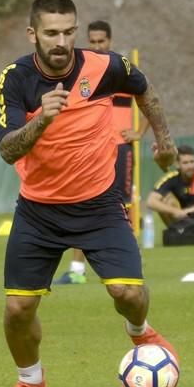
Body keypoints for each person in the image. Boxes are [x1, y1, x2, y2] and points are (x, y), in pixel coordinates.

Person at [0, 0, 178, 387]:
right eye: (51, 33)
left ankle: (141, 331)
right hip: (38, 209)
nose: (61, 41)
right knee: (18, 308)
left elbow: (145, 89)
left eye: (68, 32)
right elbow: (7, 150)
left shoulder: (105, 66)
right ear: (32, 34)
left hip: (99, 203)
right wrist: (42, 118)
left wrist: (164, 141)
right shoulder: (15, 79)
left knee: (127, 294)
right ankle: (30, 383)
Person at [54, 20, 138, 285]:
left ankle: (126, 259)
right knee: (83, 202)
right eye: (93, 41)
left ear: (110, 41)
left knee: (121, 205)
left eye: (102, 41)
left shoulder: (119, 70)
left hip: (119, 148)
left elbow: (147, 96)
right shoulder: (82, 72)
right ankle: (78, 270)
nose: (97, 46)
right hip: (89, 151)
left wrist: (139, 133)